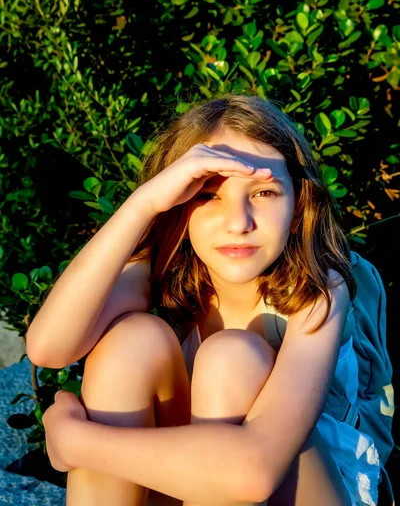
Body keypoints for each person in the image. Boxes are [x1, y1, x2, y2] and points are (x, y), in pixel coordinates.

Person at [27, 93, 383, 506]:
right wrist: (143, 203)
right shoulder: (163, 268)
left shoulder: (317, 291)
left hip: (307, 489)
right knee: (132, 342)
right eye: (207, 194)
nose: (238, 222)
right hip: (199, 483)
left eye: (264, 193)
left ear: (298, 202)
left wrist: (78, 442)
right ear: (177, 201)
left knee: (232, 358)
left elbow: (254, 474)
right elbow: (48, 348)